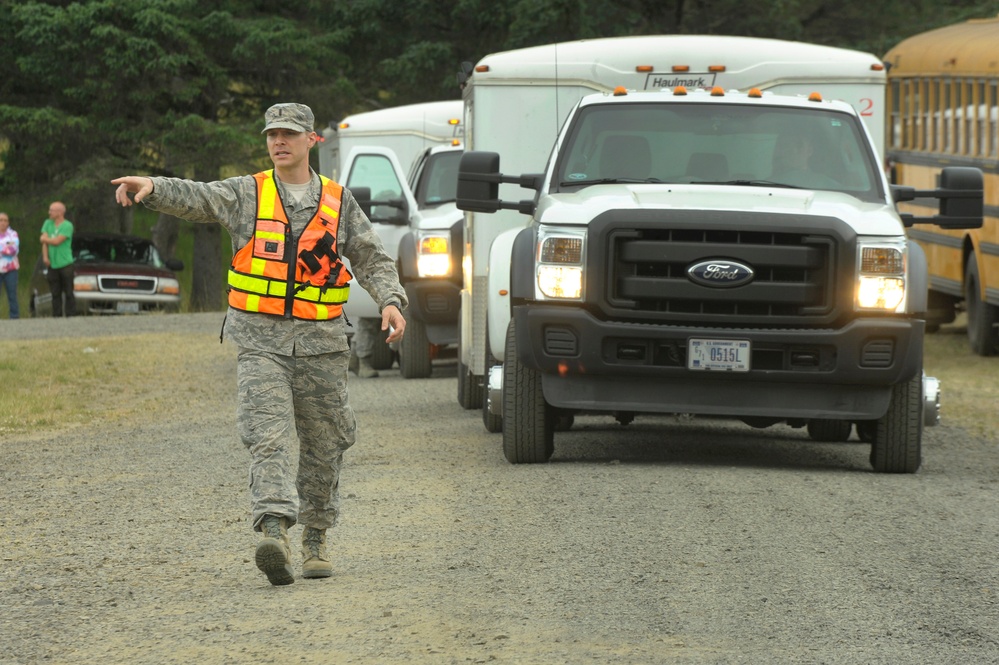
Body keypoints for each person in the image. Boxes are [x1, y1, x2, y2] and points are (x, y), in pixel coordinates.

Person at [111, 102, 407, 586]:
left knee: (325, 442)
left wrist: (392, 301)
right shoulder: (246, 193)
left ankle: (315, 538)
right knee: (266, 436)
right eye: (272, 133)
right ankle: (274, 532)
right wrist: (152, 188)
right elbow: (198, 198)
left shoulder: (337, 201)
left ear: (312, 140)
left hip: (323, 344)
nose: (278, 141)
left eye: (289, 133)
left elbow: (370, 255)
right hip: (259, 342)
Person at [40, 201, 76, 317]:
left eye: (52, 210)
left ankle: (70, 314)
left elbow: (56, 241)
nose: (49, 212)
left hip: (65, 263)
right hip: (52, 263)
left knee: (68, 291)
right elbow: (43, 242)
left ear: (60, 212)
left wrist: (46, 239)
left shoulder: (67, 225)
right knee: (55, 292)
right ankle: (57, 315)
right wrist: (45, 257)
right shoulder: (48, 223)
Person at [0, 212, 20, 319]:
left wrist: (3, 248)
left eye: (5, 220)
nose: (3, 223)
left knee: (12, 294)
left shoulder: (13, 234)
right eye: (1, 220)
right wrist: (5, 247)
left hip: (11, 270)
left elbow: (13, 250)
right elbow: (7, 248)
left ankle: (14, 317)